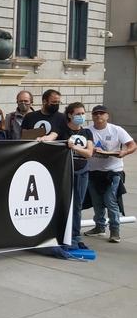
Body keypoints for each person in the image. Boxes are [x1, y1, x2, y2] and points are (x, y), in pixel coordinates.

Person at [83, 105, 136, 243]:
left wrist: (125, 152)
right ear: (92, 116)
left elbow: (132, 145)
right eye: (96, 114)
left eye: (102, 113)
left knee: (110, 200)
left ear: (107, 116)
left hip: (112, 172)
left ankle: (115, 231)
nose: (99, 116)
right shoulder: (87, 130)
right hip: (93, 171)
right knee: (97, 202)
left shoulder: (116, 130)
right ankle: (99, 227)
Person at [58, 102, 94, 248]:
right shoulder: (62, 131)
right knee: (64, 203)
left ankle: (75, 236)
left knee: (77, 205)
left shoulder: (87, 133)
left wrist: (75, 147)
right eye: (77, 114)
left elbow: (89, 153)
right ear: (70, 115)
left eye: (82, 113)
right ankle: (62, 234)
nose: (80, 116)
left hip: (82, 171)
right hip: (65, 171)